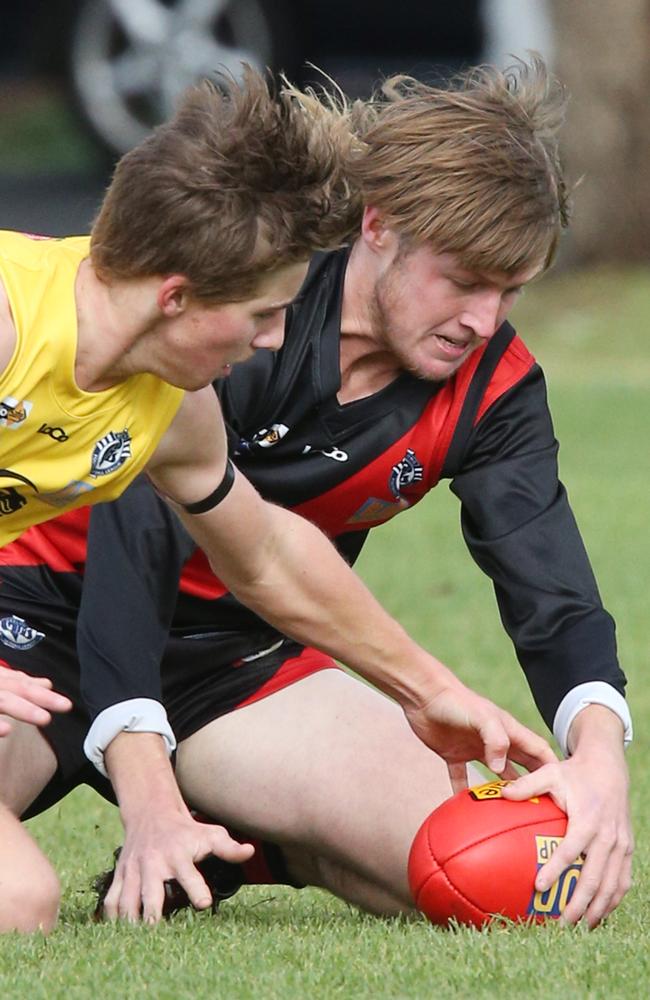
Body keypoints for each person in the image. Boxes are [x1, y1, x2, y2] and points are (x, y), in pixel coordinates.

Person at [0, 57, 630, 932]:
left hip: (230, 663)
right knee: (17, 903)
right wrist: (147, 799)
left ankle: (258, 843)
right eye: (465, 278)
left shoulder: (193, 387)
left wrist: (449, 698)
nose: (485, 320)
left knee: (521, 883)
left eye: (511, 289)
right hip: (33, 625)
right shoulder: (183, 309)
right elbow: (130, 546)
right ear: (379, 228)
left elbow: (262, 550)